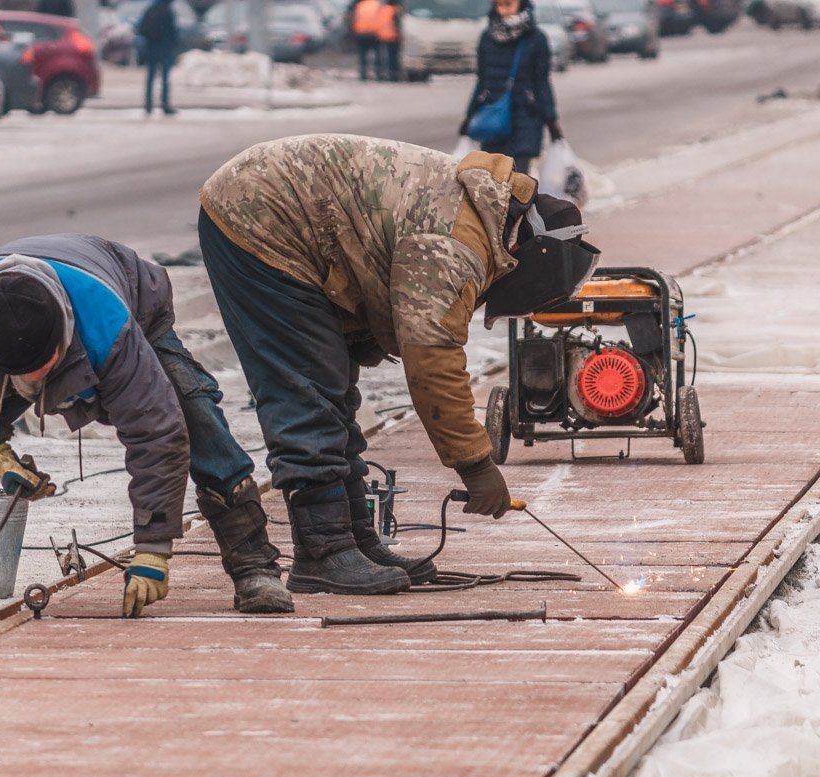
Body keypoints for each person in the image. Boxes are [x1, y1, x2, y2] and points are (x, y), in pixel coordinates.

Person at [197, 134, 599, 596]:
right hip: (258, 214)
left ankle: (353, 540)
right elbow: (432, 358)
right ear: (527, 260)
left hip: (290, 212)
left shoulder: (485, 216)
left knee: (331, 387)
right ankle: (323, 552)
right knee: (307, 387)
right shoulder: (454, 245)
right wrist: (475, 465)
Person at [0, 234, 293, 634]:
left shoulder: (107, 324)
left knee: (187, 407)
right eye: (24, 374)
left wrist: (153, 549)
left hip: (127, 296)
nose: (36, 382)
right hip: (3, 341)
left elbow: (156, 432)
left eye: (45, 366)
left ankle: (254, 566)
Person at [461, 0, 562, 175]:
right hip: (494, 122)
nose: (503, 10)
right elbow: (482, 81)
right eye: (499, 5)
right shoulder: (488, 38)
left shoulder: (535, 39)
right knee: (493, 179)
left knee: (519, 180)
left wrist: (551, 119)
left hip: (525, 118)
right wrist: (469, 115)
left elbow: (542, 82)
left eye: (508, 5)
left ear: (520, 4)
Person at [137, 0, 178, 115]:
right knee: (165, 79)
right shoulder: (168, 12)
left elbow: (142, 29)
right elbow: (173, 32)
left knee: (150, 79)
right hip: (165, 49)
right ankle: (165, 104)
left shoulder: (150, 10)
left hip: (152, 49)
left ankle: (148, 105)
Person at [350, 0, 382, 82]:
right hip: (374, 34)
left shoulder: (360, 6)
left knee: (362, 55)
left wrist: (355, 32)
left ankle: (363, 74)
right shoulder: (377, 5)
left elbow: (354, 19)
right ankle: (378, 74)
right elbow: (381, 19)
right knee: (377, 55)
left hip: (361, 33)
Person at [376, 0, 402, 82]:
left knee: (381, 56)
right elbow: (398, 24)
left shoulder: (382, 9)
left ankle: (380, 74)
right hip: (392, 36)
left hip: (381, 35)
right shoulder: (395, 10)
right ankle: (393, 76)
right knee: (392, 57)